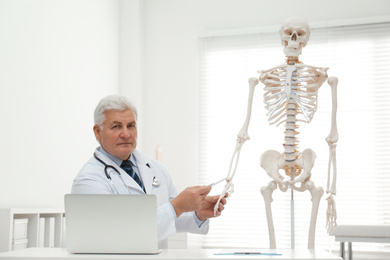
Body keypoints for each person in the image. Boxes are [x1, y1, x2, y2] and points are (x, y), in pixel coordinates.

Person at [72, 95, 227, 248]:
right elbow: (121, 235)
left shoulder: (155, 168)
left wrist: (198, 212)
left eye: (131, 125)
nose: (126, 134)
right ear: (97, 131)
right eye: (116, 126)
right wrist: (178, 205)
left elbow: (172, 217)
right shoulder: (89, 181)